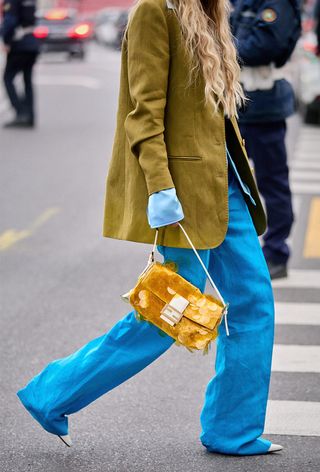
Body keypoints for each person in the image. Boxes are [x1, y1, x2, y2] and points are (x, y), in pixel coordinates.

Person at [17, 0, 282, 456]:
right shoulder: (156, 12)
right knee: (164, 317)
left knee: (255, 304)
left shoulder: (212, 12)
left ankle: (232, 429)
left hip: (227, 189)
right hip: (184, 194)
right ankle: (53, 393)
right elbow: (143, 112)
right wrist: (160, 188)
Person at [230, 0, 301, 279]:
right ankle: (241, 252)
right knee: (229, 181)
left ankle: (276, 252)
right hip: (235, 105)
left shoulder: (277, 3)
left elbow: (263, 46)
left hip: (265, 107)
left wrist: (220, 50)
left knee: (272, 182)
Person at [0, 0, 39, 128]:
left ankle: (21, 113)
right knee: (27, 80)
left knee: (8, 78)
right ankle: (30, 115)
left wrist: (6, 41)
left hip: (19, 45)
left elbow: (10, 21)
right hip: (33, 43)